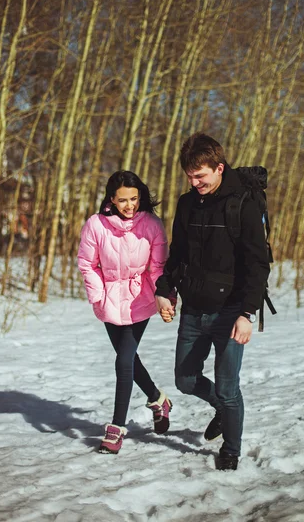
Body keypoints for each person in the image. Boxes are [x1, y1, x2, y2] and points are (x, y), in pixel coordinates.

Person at [155, 133, 270, 470]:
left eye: (200, 176)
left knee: (228, 386)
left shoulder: (243, 204)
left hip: (231, 310)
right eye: (190, 176)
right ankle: (222, 409)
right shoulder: (187, 203)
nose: (195, 182)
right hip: (193, 307)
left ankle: (231, 451)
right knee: (185, 379)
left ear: (219, 168)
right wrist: (166, 289)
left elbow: (257, 263)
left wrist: (246, 312)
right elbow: (177, 254)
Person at [78, 171, 171, 454]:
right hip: (108, 300)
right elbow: (87, 263)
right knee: (128, 359)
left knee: (124, 360)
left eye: (134, 198)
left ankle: (116, 428)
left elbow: (158, 267)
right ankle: (158, 399)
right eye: (123, 200)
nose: (130, 205)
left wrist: (163, 296)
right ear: (111, 200)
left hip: (139, 299)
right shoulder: (96, 225)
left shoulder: (153, 225)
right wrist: (98, 295)